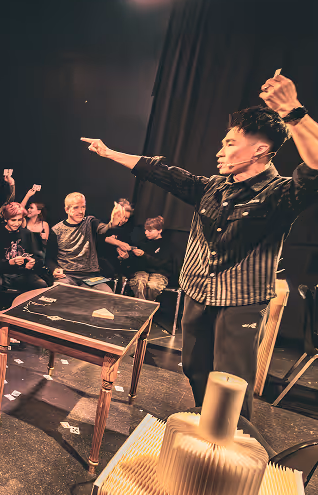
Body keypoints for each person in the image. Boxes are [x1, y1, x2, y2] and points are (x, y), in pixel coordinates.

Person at [80, 72, 318, 420]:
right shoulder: (213, 187)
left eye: (230, 144)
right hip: (197, 292)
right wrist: (109, 152)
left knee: (231, 384)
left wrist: (291, 110)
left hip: (241, 302)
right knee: (194, 368)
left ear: (260, 150)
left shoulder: (280, 193)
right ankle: (203, 430)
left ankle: (231, 446)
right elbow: (163, 173)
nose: (220, 151)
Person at [0, 202, 49, 343]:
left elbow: (40, 258)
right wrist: (10, 263)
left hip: (23, 274)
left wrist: (33, 263)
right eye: (13, 220)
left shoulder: (27, 234)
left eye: (20, 220)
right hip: (2, 273)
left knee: (42, 286)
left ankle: (28, 325)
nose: (17, 223)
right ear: (6, 219)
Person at [46, 192, 126, 293]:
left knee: (107, 295)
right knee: (60, 292)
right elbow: (49, 258)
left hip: (90, 276)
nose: (80, 211)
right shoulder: (56, 230)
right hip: (67, 275)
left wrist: (113, 223)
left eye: (83, 207)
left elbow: (103, 230)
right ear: (67, 209)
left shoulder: (90, 222)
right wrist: (54, 269)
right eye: (76, 207)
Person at [126, 216, 173, 301]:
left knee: (153, 285)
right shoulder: (142, 243)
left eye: (150, 231)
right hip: (142, 272)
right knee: (139, 282)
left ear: (159, 230)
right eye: (145, 230)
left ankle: (146, 307)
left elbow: (161, 263)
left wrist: (144, 255)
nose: (146, 233)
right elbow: (134, 263)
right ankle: (140, 307)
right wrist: (127, 256)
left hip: (159, 273)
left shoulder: (167, 245)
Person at [98, 198, 135, 280]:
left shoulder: (126, 233)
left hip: (112, 270)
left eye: (126, 218)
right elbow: (101, 236)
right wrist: (119, 243)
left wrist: (125, 256)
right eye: (122, 217)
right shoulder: (102, 224)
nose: (124, 220)